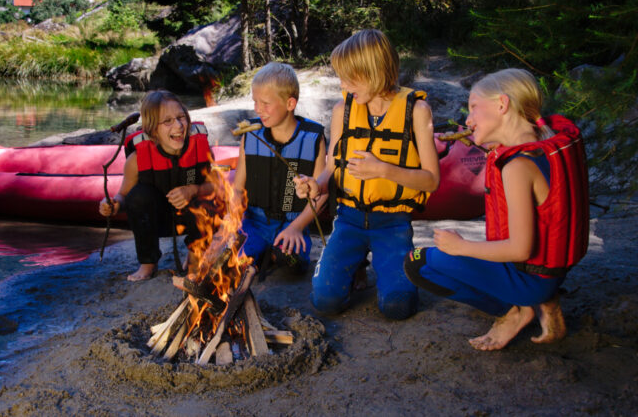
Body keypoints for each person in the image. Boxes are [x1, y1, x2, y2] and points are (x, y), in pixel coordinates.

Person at [403, 68, 589, 350]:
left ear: (502, 104)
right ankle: (547, 304)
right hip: (552, 269)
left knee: (417, 264)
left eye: (474, 107)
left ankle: (512, 311)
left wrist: (460, 246)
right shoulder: (544, 143)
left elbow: (519, 250)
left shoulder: (517, 167)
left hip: (529, 278)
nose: (468, 118)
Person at [294, 29, 440, 320]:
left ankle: (383, 270)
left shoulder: (418, 111)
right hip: (349, 218)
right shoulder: (341, 111)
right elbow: (333, 166)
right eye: (341, 78)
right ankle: (355, 266)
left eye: (350, 79)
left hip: (393, 223)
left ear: (375, 72)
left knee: (398, 307)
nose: (343, 87)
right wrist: (316, 185)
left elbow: (432, 180)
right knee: (324, 302)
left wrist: (383, 169)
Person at [99, 90, 213, 281]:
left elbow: (215, 187)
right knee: (138, 195)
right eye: (167, 121)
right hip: (157, 221)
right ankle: (148, 263)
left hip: (191, 218)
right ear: (152, 130)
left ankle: (195, 256)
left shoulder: (200, 147)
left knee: (206, 201)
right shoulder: (136, 159)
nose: (178, 126)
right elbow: (124, 195)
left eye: (181, 117)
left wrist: (193, 189)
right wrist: (113, 205)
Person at [232, 62, 327, 277]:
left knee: (292, 262)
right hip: (254, 221)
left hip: (293, 220)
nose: (257, 109)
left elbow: (320, 195)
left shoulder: (313, 137)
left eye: (265, 103)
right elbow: (238, 188)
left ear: (290, 103)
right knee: (235, 261)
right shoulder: (251, 134)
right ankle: (261, 252)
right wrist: (231, 220)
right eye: (255, 102)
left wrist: (296, 227)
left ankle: (273, 254)